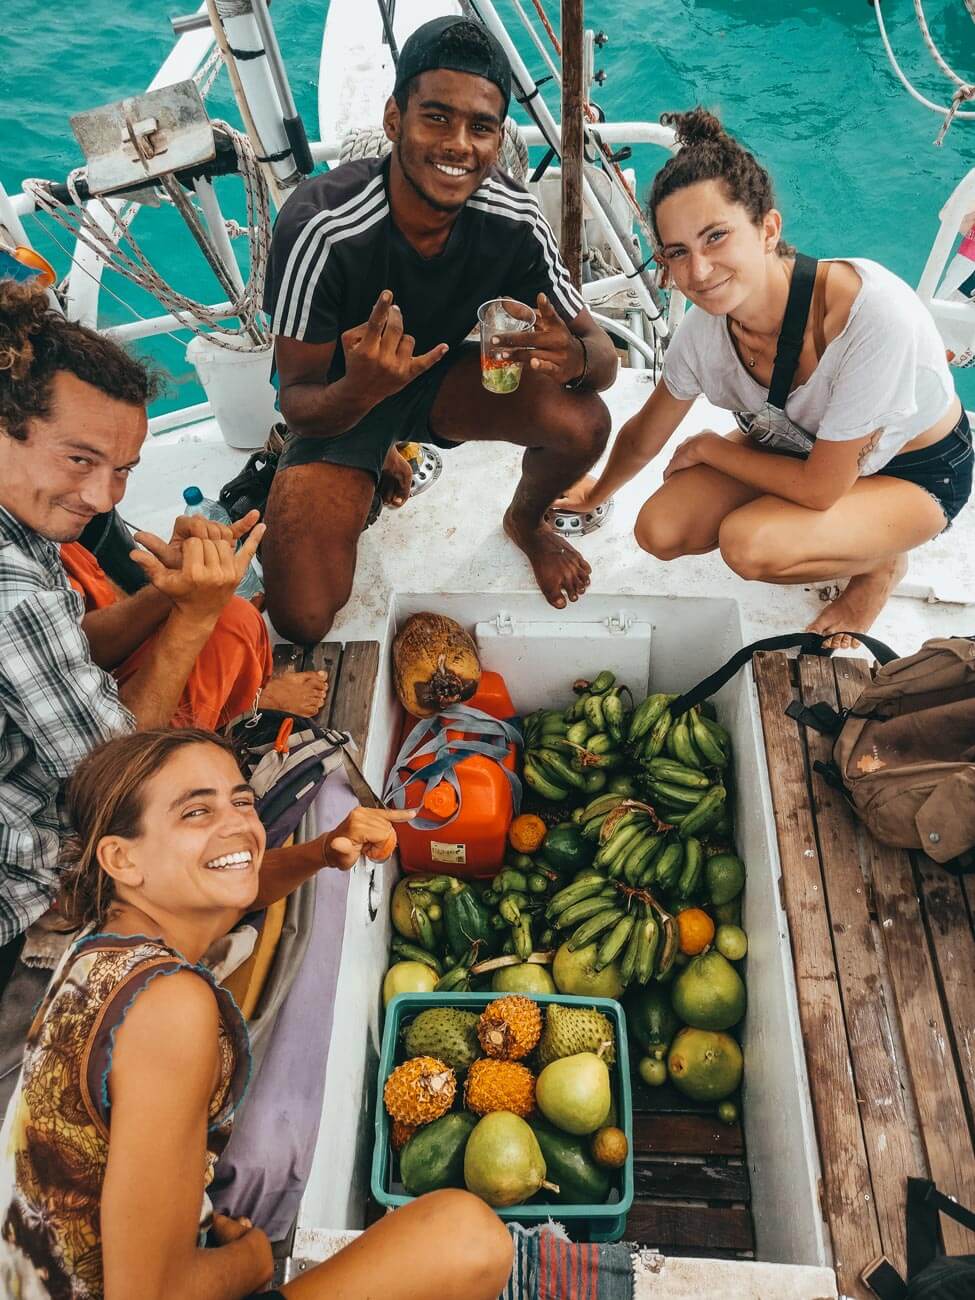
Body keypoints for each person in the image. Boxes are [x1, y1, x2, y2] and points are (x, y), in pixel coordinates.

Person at [0, 728, 513, 1300]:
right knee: (469, 1241)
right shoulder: (172, 1009)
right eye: (196, 811)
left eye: (241, 800)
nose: (238, 823)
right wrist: (251, 1264)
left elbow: (236, 881)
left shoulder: (102, 941)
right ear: (122, 858)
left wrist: (322, 851)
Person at [261, 16, 619, 644]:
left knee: (583, 422)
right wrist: (362, 389)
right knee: (303, 617)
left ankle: (526, 522)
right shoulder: (321, 226)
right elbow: (297, 401)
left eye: (480, 127)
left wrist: (576, 360)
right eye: (436, 118)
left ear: (497, 137)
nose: (459, 144)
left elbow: (604, 358)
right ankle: (374, 464)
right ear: (394, 119)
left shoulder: (513, 218)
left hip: (444, 385)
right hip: (343, 405)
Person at [557, 108, 973, 646]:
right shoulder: (705, 333)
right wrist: (595, 493)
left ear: (768, 229)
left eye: (716, 237)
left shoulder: (869, 317)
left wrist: (712, 448)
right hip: (799, 449)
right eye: (678, 252)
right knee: (659, 528)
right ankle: (853, 540)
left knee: (750, 544)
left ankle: (881, 565)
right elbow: (645, 433)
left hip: (912, 472)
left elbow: (823, 488)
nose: (699, 271)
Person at [0, 281, 322, 969]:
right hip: (21, 870)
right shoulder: (12, 589)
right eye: (79, 459)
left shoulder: (24, 526)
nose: (100, 497)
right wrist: (194, 614)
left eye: (121, 471)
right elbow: (115, 785)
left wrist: (167, 595)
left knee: (229, 622)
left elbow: (67, 650)